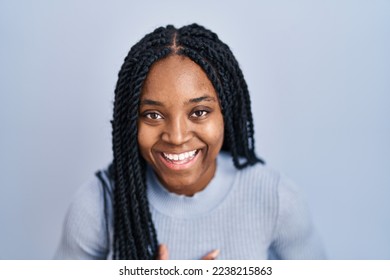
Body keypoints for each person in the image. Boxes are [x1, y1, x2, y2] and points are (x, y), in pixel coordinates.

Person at [54, 24, 326, 260]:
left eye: (199, 112)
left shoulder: (276, 198)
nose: (176, 136)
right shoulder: (98, 204)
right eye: (153, 114)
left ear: (225, 114)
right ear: (130, 122)